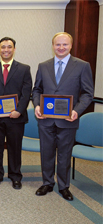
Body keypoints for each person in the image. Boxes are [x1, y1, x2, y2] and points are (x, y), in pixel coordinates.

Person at [32, 32, 94, 201]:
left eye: (64, 45)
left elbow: (88, 93)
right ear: (53, 46)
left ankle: (64, 186)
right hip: (46, 119)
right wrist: (37, 105)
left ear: (71, 46)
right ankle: (47, 183)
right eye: (57, 44)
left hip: (68, 119)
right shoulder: (43, 66)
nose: (61, 47)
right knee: (46, 152)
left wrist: (77, 111)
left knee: (65, 154)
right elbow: (36, 89)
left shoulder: (82, 66)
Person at [0, 37, 32, 189]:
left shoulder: (24, 69)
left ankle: (15, 176)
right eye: (3, 47)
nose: (6, 50)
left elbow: (26, 92)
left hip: (16, 117)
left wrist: (19, 110)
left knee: (14, 148)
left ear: (14, 49)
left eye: (9, 47)